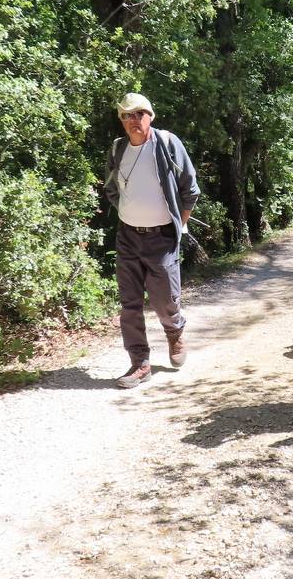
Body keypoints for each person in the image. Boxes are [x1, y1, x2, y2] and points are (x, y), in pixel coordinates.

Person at [104, 92, 200, 389]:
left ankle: (175, 333)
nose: (134, 120)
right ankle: (139, 363)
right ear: (121, 120)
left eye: (139, 114)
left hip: (162, 238)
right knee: (129, 304)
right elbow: (111, 188)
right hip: (128, 237)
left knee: (164, 301)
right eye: (127, 115)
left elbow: (190, 190)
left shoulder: (168, 144)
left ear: (151, 116)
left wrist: (178, 226)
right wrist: (129, 214)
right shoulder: (118, 149)